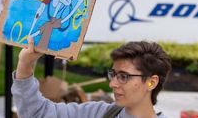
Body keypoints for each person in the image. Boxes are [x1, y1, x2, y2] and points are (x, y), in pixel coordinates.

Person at [12, 37, 172, 118]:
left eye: (124, 77)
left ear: (152, 82)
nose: (113, 84)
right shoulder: (98, 113)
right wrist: (25, 65)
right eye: (114, 75)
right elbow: (37, 114)